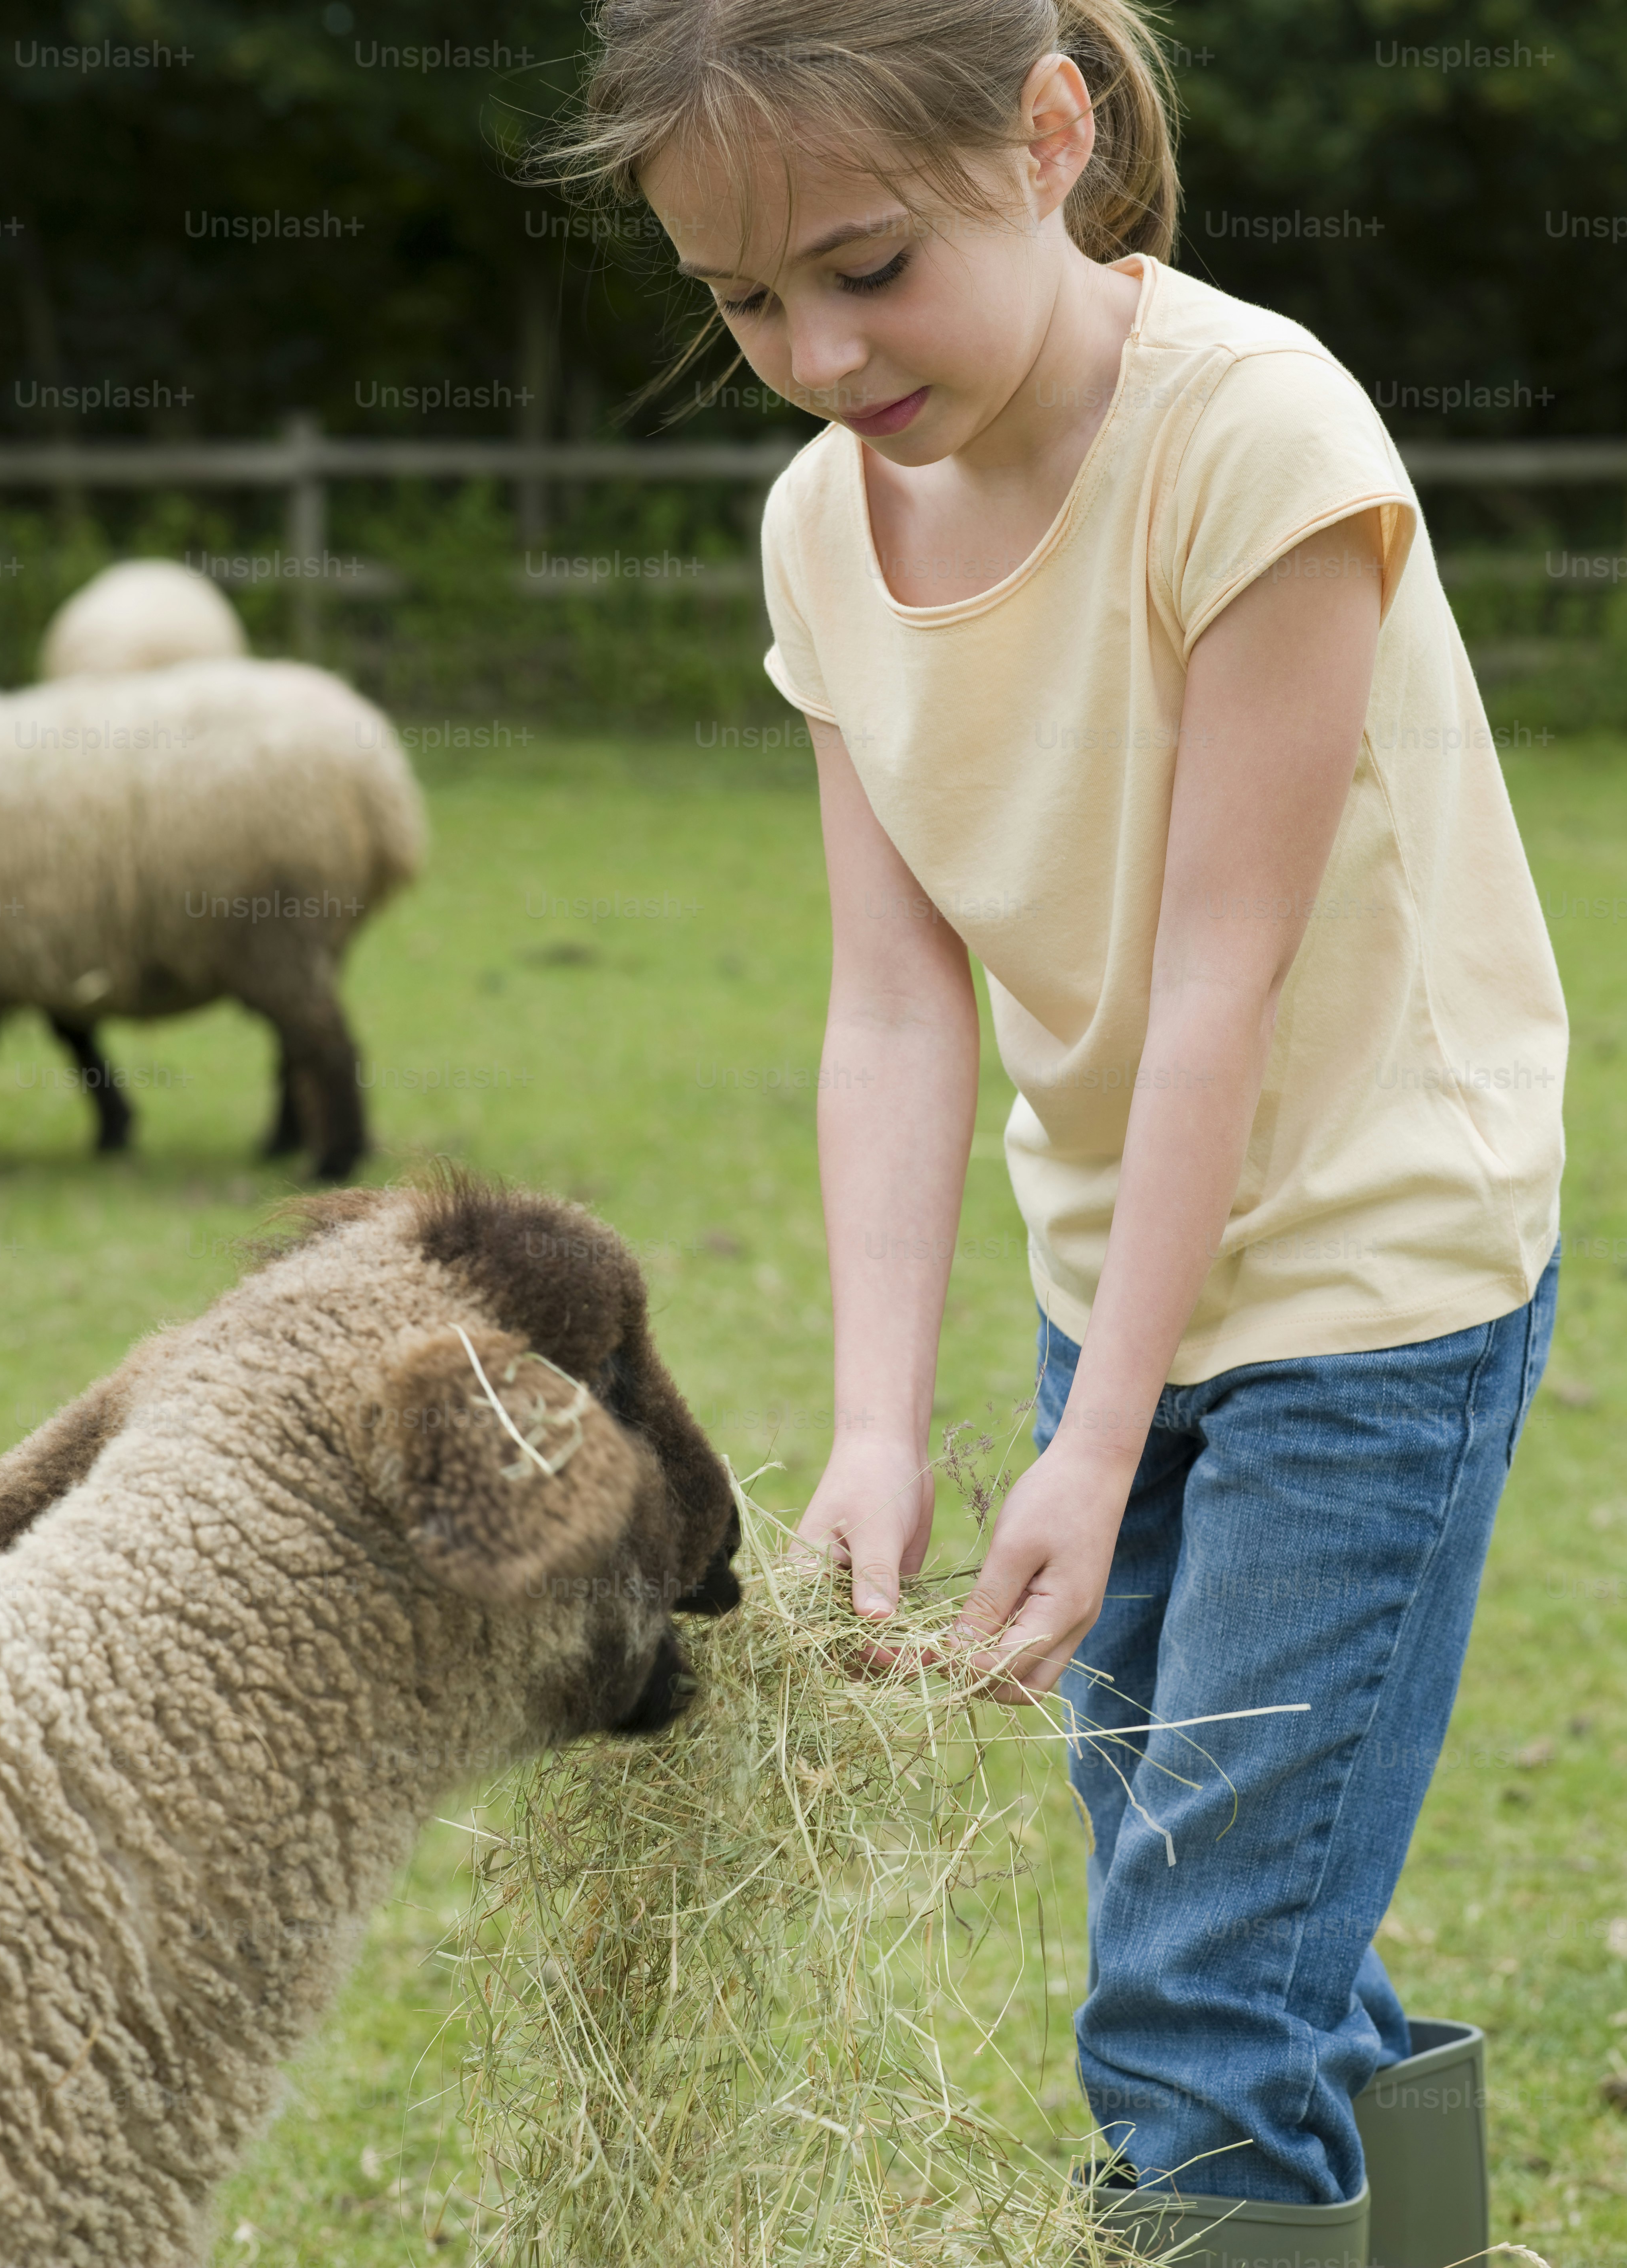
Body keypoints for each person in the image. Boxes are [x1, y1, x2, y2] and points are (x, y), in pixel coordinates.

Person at [540, 0, 1565, 2250]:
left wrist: (1088, 1454)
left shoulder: (1257, 443)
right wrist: (884, 1428)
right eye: (739, 297)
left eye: (865, 264)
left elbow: (1221, 981)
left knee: (1195, 1987)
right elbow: (898, 1006)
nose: (811, 348)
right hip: (1117, 1274)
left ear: (1048, 132)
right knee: (1245, 1910)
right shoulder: (826, 526)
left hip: (1374, 1280)